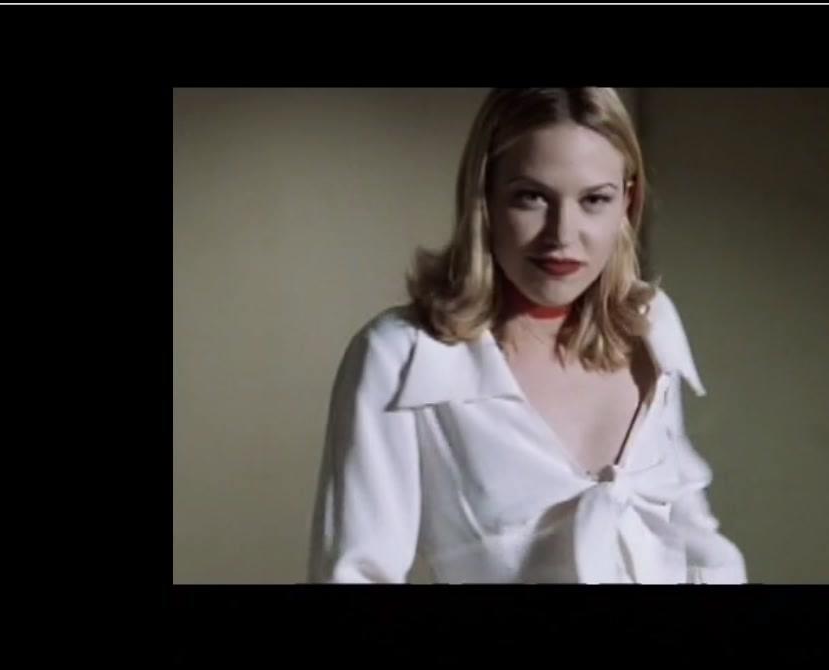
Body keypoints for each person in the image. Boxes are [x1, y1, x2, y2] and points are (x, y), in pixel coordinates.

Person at [308, 87, 746, 584]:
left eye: (594, 200)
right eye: (532, 197)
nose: (562, 234)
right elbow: (357, 573)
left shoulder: (650, 326)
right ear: (485, 197)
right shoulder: (403, 358)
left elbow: (696, 540)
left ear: (627, 202)